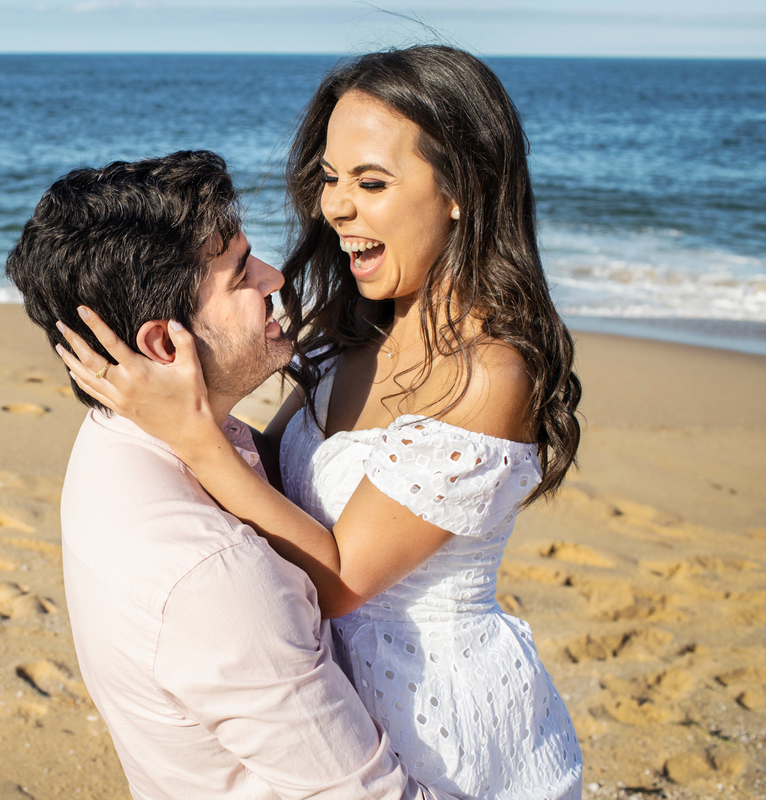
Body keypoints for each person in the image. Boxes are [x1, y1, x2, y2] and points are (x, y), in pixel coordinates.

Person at [58, 46, 584, 799]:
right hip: (327, 701)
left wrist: (195, 434)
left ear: (462, 190)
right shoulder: (348, 329)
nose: (335, 206)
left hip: (441, 728)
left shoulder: (489, 375)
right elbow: (273, 482)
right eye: (331, 178)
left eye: (371, 182)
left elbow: (341, 581)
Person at [6, 150, 450, 800]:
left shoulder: (109, 440)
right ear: (164, 346)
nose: (273, 278)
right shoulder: (217, 577)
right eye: (241, 272)